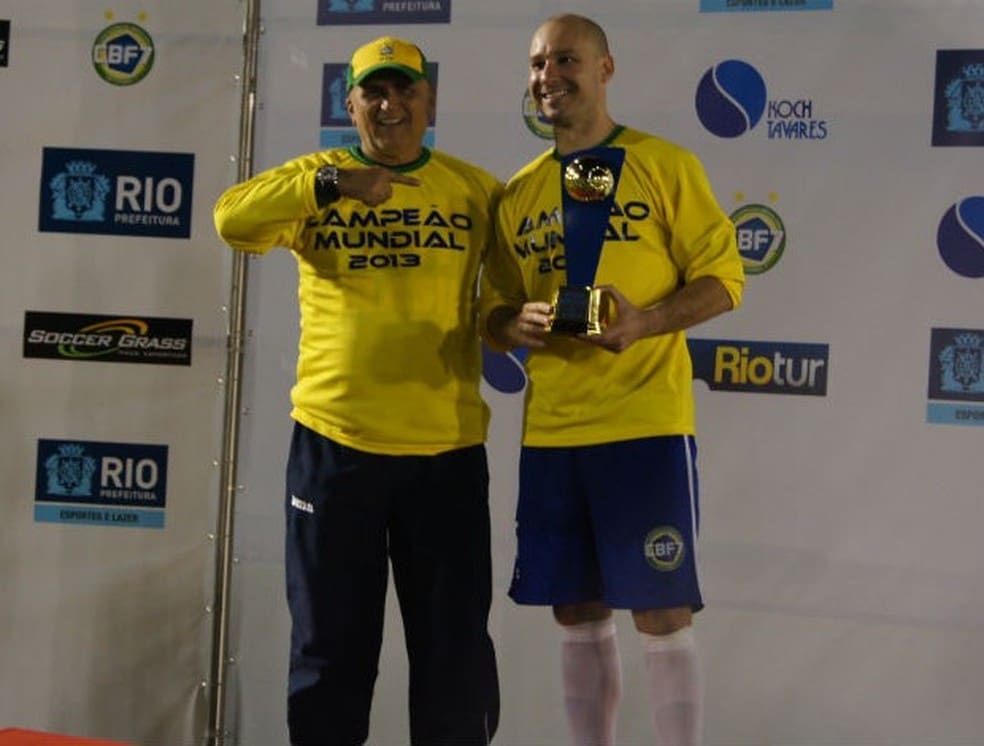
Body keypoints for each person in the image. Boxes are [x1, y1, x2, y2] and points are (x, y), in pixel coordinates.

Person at [213, 35, 501, 746]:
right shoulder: (318, 177)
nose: (390, 104)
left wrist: (512, 323)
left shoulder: (475, 190)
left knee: (453, 658)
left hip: (447, 454)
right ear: (350, 105)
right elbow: (230, 219)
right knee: (330, 651)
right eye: (373, 91)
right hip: (335, 451)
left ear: (429, 101)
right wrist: (334, 185)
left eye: (404, 89)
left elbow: (506, 301)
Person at [480, 14, 744, 746]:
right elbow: (492, 310)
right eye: (537, 63)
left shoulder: (664, 164)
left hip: (644, 429)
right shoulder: (519, 192)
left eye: (566, 59)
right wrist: (513, 325)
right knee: (576, 610)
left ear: (605, 69)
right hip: (554, 433)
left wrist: (645, 322)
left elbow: (724, 280)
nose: (547, 76)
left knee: (660, 612)